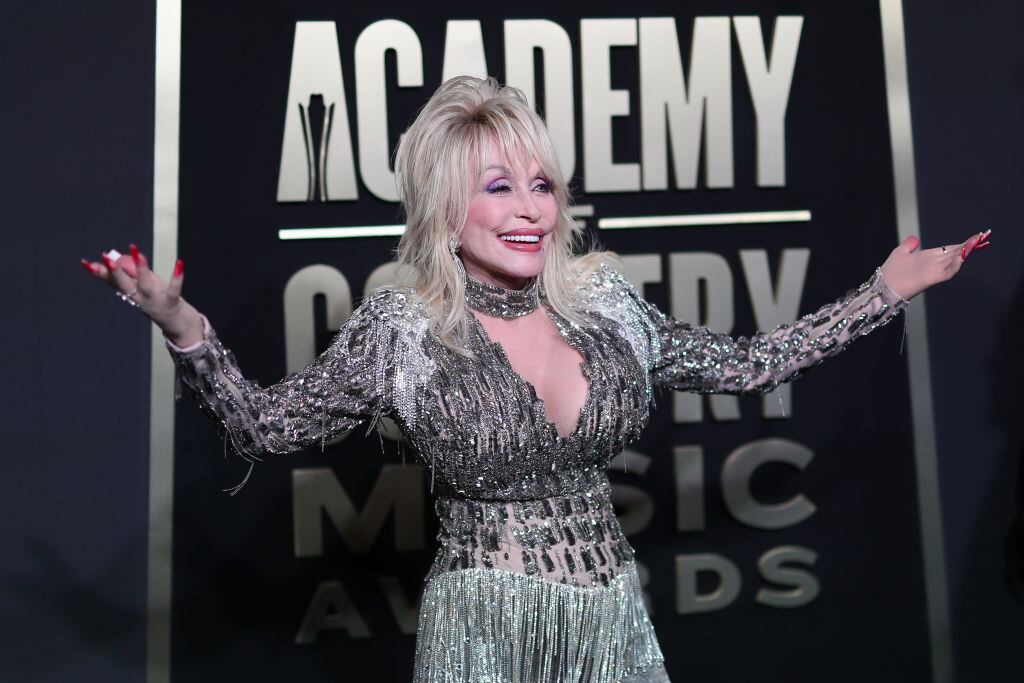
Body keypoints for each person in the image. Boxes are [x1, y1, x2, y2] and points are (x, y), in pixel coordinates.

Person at [81, 76, 991, 682]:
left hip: (613, 624)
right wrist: (182, 325)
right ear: (445, 209)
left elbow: (752, 365)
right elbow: (262, 427)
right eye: (497, 187)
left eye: (542, 184)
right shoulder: (403, 330)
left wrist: (884, 291)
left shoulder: (608, 307)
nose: (530, 210)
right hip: (482, 633)